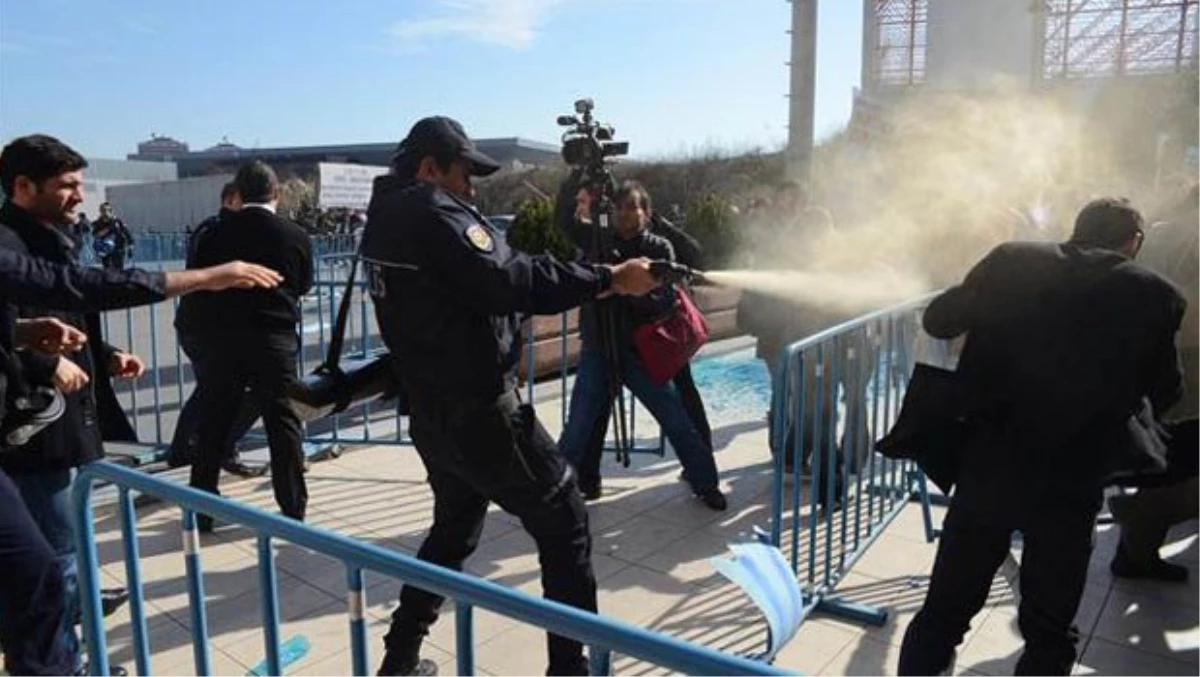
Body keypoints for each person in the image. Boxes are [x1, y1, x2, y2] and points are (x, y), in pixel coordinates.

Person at [362, 116, 660, 677]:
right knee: (566, 522)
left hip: (432, 412)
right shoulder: (430, 211)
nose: (471, 189)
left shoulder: (384, 216)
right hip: (481, 413)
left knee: (453, 531)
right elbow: (509, 277)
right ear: (429, 168)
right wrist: (610, 277)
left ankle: (399, 659)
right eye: (464, 175)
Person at [897, 198, 1186, 677]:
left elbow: (939, 320)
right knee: (1049, 630)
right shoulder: (1155, 293)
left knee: (944, 613)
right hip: (1072, 481)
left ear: (1076, 229)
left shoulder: (1013, 259)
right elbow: (1167, 391)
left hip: (990, 464)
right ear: (1133, 242)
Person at [0, 243, 282, 673]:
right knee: (46, 569)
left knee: (43, 574)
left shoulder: (51, 242)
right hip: (32, 438)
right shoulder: (13, 241)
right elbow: (78, 285)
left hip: (56, 431)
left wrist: (23, 333)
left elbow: (70, 288)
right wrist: (208, 277)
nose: (77, 195)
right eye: (67, 184)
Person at [552, 177, 725, 509]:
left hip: (642, 351)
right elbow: (563, 220)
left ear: (646, 212)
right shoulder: (594, 237)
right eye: (618, 207)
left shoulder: (658, 248)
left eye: (632, 206)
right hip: (598, 347)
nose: (624, 214)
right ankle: (554, 491)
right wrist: (575, 178)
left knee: (675, 418)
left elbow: (663, 300)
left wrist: (623, 285)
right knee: (578, 426)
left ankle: (706, 483)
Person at [177, 161, 313, 532]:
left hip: (223, 338)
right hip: (274, 340)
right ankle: (293, 509)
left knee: (215, 421)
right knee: (282, 422)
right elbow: (302, 285)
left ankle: (201, 508)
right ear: (277, 193)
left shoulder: (215, 232)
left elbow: (200, 281)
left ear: (237, 193)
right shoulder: (294, 234)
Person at [1107, 181, 1200, 582]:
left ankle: (1136, 549)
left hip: (1154, 352)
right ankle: (1139, 520)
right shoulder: (1191, 238)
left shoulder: (1160, 231)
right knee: (1181, 457)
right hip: (1190, 356)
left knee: (1166, 453)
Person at [165, 182, 264, 477]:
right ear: (231, 199)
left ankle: (196, 448)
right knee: (220, 390)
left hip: (203, 325)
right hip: (207, 327)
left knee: (214, 390)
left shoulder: (214, 228)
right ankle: (196, 449)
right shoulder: (218, 229)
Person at [91, 203, 132, 271]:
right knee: (107, 271)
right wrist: (108, 229)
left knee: (119, 270)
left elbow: (127, 233)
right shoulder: (98, 223)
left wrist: (131, 246)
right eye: (103, 210)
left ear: (111, 211)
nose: (106, 212)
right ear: (101, 211)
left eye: (108, 210)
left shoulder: (118, 221)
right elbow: (95, 235)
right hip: (106, 250)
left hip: (118, 249)